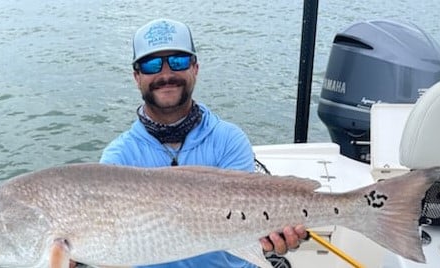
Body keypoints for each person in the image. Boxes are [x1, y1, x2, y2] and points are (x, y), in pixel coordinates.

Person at [97, 18, 307, 268]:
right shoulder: (117, 159)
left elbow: (245, 217)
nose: (166, 74)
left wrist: (276, 236)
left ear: (195, 68)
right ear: (136, 76)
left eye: (178, 61)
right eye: (152, 64)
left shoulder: (229, 139)